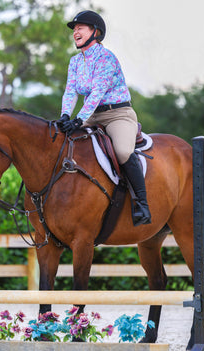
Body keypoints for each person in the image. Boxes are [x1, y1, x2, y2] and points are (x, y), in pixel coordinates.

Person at [57, 10, 151, 226]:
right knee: (63, 140)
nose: (75, 32)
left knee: (122, 151)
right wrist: (64, 115)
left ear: (95, 32)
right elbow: (70, 92)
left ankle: (143, 205)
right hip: (94, 115)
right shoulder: (74, 62)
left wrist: (79, 120)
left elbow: (97, 92)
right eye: (75, 29)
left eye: (81, 27)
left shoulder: (106, 58)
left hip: (118, 114)